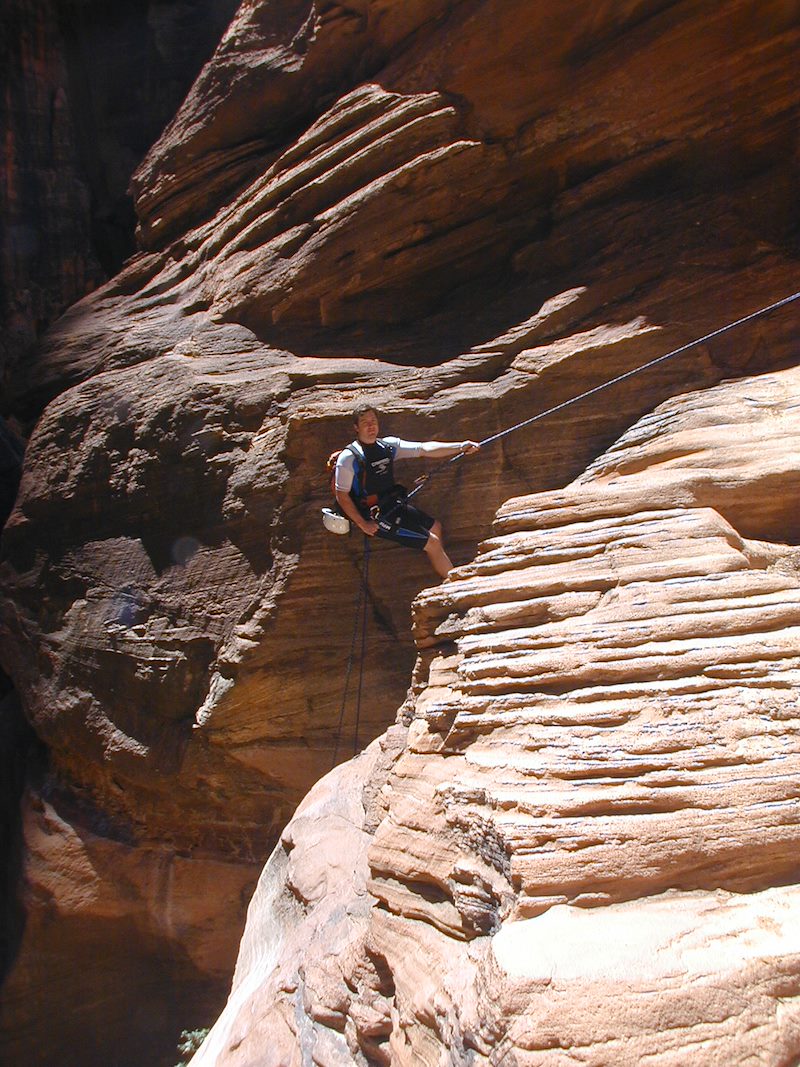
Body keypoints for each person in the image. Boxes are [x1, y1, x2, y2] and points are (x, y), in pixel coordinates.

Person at [333, 405, 480, 578]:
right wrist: (363, 524)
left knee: (435, 527)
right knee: (432, 542)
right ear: (356, 427)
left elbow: (424, 449)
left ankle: (443, 571)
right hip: (373, 517)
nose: (371, 426)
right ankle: (455, 583)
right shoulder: (349, 458)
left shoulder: (387, 446)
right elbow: (341, 495)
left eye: (373, 421)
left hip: (392, 505)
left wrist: (461, 446)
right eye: (365, 423)